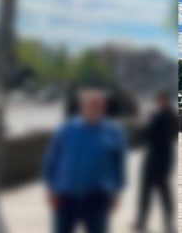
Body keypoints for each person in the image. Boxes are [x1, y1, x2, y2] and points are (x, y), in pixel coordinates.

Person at [43, 87, 126, 233]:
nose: (93, 108)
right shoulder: (66, 129)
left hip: (97, 197)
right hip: (66, 196)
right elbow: (52, 160)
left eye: (98, 105)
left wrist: (116, 193)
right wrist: (51, 189)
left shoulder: (114, 132)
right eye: (90, 104)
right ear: (82, 106)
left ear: (103, 107)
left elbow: (119, 165)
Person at [134, 91, 176, 233]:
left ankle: (168, 222)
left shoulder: (167, 117)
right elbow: (142, 136)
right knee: (146, 193)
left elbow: (150, 134)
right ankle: (141, 221)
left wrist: (146, 121)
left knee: (163, 194)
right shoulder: (158, 116)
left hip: (161, 160)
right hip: (152, 158)